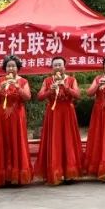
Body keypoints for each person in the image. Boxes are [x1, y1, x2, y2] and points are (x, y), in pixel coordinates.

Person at [0, 55, 33, 188]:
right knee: (1, 142)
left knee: (17, 142)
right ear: (5, 68)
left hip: (17, 116)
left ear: (18, 68)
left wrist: (17, 86)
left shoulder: (23, 81)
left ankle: (16, 176)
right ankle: (2, 176)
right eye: (8, 66)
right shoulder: (0, 80)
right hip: (1, 116)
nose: (11, 68)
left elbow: (27, 97)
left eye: (13, 66)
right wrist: (0, 89)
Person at [34, 56, 82, 185]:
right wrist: (50, 90)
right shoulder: (48, 80)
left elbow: (78, 95)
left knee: (68, 141)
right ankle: (55, 172)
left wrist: (65, 87)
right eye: (55, 65)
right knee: (54, 141)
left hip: (67, 113)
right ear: (52, 68)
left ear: (64, 67)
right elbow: (39, 96)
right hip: (53, 114)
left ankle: (69, 173)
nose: (57, 67)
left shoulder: (71, 80)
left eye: (60, 65)